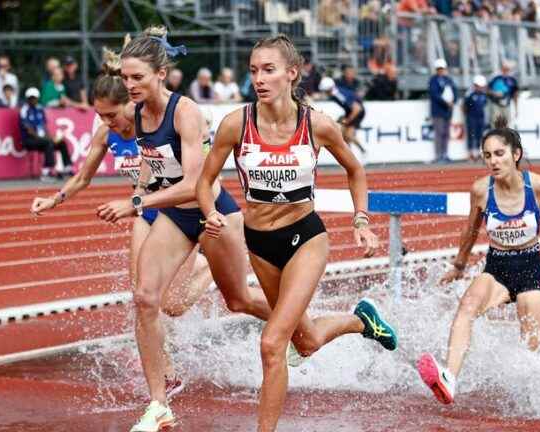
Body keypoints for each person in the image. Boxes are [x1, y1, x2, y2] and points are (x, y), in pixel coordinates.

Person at [196, 34, 398, 432]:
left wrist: (361, 220)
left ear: (292, 73)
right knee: (303, 342)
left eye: (268, 70)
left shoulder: (317, 125)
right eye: (253, 70)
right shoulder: (236, 124)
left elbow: (355, 170)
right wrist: (209, 213)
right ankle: (362, 320)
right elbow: (205, 181)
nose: (259, 78)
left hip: (305, 238)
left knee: (273, 343)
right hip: (260, 243)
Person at [94, 27, 273, 432]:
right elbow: (134, 149)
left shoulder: (185, 111)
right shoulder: (135, 113)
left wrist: (135, 203)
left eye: (137, 77)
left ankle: (299, 323)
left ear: (161, 73)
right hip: (176, 216)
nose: (130, 86)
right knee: (145, 298)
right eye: (126, 78)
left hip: (214, 214)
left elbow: (195, 184)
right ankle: (159, 404)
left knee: (240, 301)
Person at [30, 49, 217, 399]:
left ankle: (208, 270)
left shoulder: (150, 121)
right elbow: (83, 178)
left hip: (172, 205)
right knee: (143, 298)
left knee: (172, 305)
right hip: (144, 210)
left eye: (112, 115)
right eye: (100, 116)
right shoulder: (106, 133)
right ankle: (167, 373)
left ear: (127, 106)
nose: (108, 122)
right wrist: (53, 200)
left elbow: (190, 162)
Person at [416, 116, 540, 405]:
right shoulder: (481, 190)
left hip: (531, 271)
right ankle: (449, 378)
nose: (493, 161)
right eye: (487, 156)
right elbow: (470, 230)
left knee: (529, 350)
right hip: (497, 268)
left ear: (516, 155)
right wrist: (458, 266)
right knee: (466, 307)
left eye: (499, 154)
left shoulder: (538, 186)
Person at [19, 87, 73, 181]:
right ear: (27, 99)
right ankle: (46, 172)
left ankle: (67, 169)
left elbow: (44, 127)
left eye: (34, 98)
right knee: (48, 143)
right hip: (28, 140)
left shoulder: (40, 109)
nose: (33, 100)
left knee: (61, 143)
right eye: (31, 98)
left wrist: (51, 137)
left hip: (41, 138)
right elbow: (28, 130)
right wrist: (44, 138)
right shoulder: (24, 110)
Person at [318, 76, 367, 155]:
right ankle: (351, 156)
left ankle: (363, 152)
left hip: (358, 112)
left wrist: (347, 120)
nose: (324, 93)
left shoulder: (339, 95)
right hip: (350, 112)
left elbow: (357, 108)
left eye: (325, 91)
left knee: (348, 135)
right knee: (342, 135)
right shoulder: (334, 93)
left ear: (329, 89)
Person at [428, 58, 457, 163]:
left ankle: (445, 154)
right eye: (439, 68)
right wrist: (446, 102)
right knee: (439, 132)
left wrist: (453, 101)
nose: (441, 70)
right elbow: (434, 94)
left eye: (442, 68)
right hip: (438, 111)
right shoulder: (433, 80)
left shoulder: (449, 80)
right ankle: (438, 155)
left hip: (447, 111)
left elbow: (455, 91)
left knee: (446, 133)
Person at [463, 75, 488, 162]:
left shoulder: (483, 95)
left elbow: (484, 105)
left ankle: (477, 153)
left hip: (480, 117)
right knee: (471, 135)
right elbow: (464, 106)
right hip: (471, 117)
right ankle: (470, 153)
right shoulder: (469, 94)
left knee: (479, 135)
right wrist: (468, 115)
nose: (480, 88)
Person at [487, 60, 519, 127]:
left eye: (508, 69)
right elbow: (487, 90)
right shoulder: (495, 78)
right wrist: (495, 93)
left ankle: (505, 136)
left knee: (506, 124)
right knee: (496, 123)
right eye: (504, 69)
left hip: (506, 104)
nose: (506, 71)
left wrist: (516, 109)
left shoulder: (512, 80)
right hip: (496, 104)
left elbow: (515, 94)